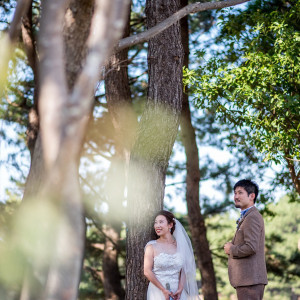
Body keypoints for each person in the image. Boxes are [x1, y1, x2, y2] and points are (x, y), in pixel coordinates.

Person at [224, 179, 268, 300]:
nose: (236, 196)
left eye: (240, 192)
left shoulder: (252, 217)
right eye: (235, 193)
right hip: (248, 280)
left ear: (252, 196)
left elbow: (251, 247)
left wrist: (231, 249)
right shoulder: (248, 216)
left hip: (250, 281)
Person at [144, 210, 199, 300]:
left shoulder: (180, 246)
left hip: (178, 292)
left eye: (161, 222)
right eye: (155, 223)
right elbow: (147, 271)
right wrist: (163, 290)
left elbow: (184, 269)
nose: (157, 225)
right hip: (158, 291)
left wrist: (180, 288)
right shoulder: (151, 246)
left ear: (170, 225)